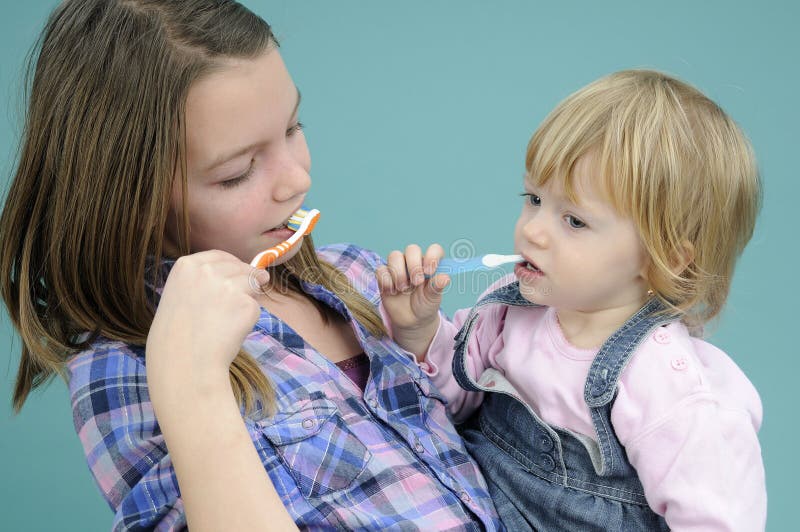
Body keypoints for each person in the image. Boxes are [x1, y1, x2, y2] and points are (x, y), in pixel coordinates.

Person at [0, 1, 503, 530]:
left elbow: (474, 437)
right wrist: (190, 379)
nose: (296, 180)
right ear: (130, 197)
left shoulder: (358, 276)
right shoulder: (130, 369)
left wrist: (423, 342)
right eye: (237, 172)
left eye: (293, 127)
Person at [378, 70, 766, 530]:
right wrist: (419, 332)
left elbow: (715, 519)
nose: (533, 230)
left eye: (574, 221)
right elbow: (449, 407)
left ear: (662, 259)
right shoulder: (508, 310)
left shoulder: (666, 384)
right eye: (534, 198)